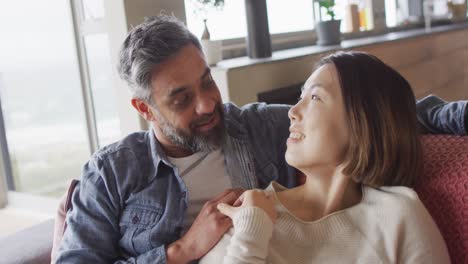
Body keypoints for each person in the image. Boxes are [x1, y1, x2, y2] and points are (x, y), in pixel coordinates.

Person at [56, 15, 465, 263]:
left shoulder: (256, 131)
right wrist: (180, 252)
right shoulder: (111, 172)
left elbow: (387, 112)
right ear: (144, 109)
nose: (206, 105)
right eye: (181, 98)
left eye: (207, 82)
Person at [201, 51, 450, 263]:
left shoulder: (400, 215)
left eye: (315, 98)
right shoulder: (250, 215)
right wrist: (250, 237)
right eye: (300, 97)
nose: (293, 112)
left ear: (363, 123)